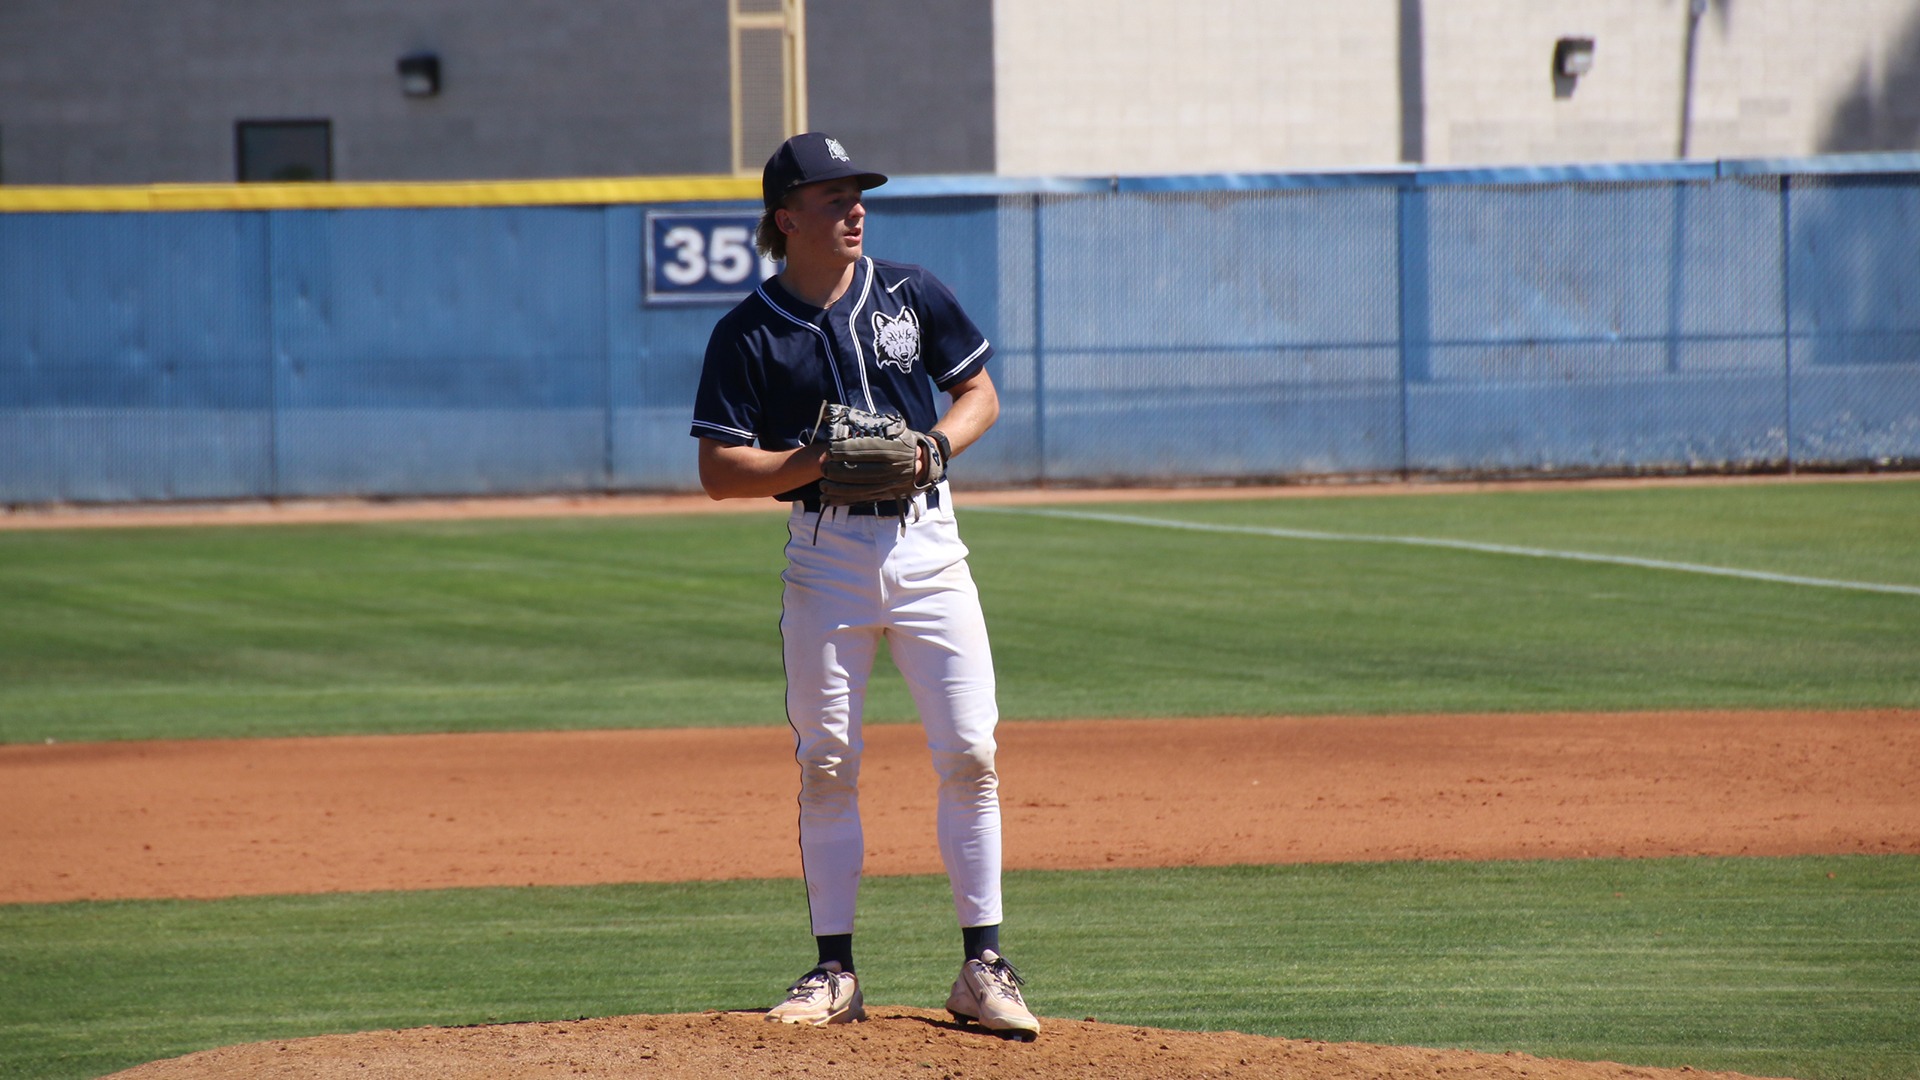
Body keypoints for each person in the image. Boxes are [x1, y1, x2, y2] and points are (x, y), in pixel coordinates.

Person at [689, 132, 1039, 1040]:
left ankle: (983, 966)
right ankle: (834, 971)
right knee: (828, 761)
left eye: (858, 193)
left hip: (930, 545)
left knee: (970, 750)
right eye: (833, 195)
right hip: (826, 555)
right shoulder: (749, 331)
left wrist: (934, 445)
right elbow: (721, 470)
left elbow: (981, 395)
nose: (854, 208)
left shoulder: (910, 292)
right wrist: (811, 459)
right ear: (785, 217)